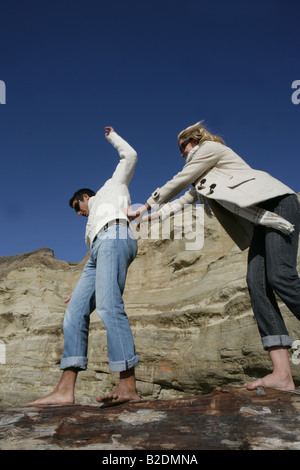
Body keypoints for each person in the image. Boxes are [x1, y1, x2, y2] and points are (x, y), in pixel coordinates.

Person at [126, 121, 300, 392]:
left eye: (183, 147)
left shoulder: (210, 150)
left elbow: (180, 179)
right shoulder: (204, 176)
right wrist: (150, 216)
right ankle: (282, 374)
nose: (182, 154)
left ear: (194, 140)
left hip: (278, 206)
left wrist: (147, 203)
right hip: (261, 225)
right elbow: (184, 198)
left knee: (281, 275)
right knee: (258, 286)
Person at [26, 126, 140, 407]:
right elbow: (93, 259)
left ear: (86, 197)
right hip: (99, 248)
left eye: (77, 205)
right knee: (75, 311)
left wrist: (112, 136)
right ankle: (65, 390)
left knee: (108, 304)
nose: (78, 212)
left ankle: (128, 384)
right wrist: (78, 289)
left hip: (116, 234)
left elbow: (130, 155)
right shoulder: (90, 227)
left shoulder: (112, 186)